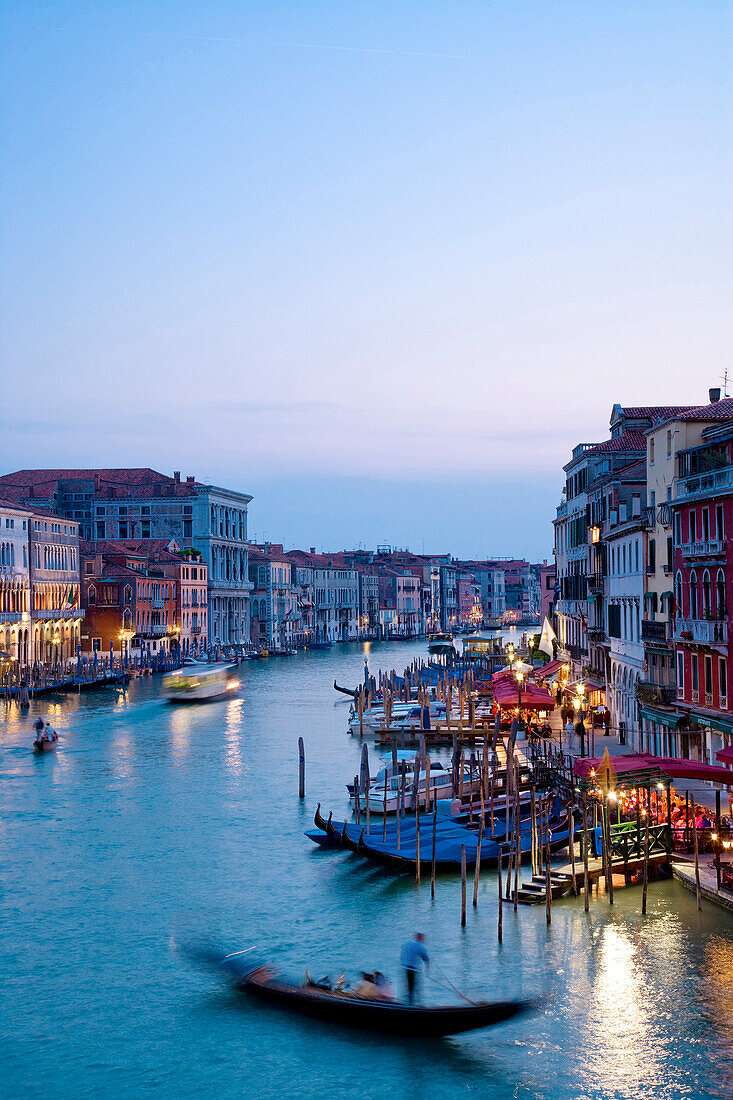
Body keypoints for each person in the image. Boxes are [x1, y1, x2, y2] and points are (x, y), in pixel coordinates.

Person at [400, 932, 429, 1004]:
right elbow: (425, 958)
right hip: (414, 969)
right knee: (416, 987)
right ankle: (417, 1004)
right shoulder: (420, 946)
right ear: (421, 938)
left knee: (408, 987)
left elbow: (403, 952)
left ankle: (407, 1002)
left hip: (405, 967)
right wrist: (427, 968)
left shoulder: (407, 943)